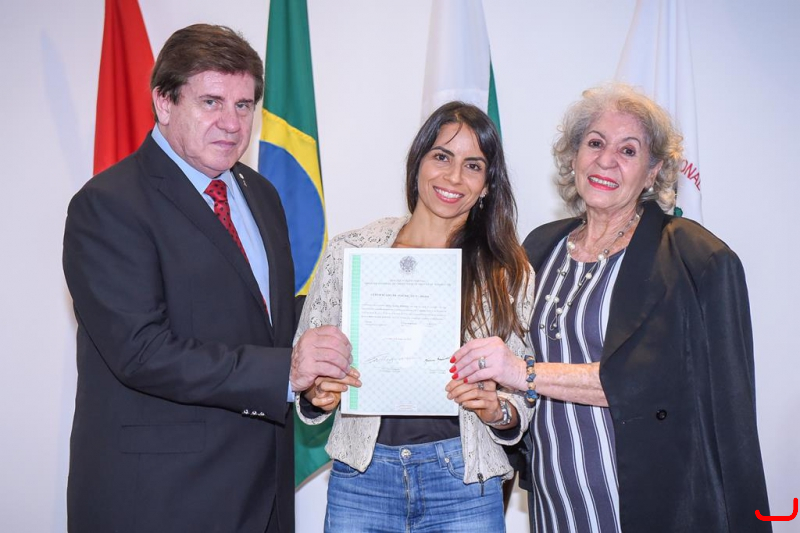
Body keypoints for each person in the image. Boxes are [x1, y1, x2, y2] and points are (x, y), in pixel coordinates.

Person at [62, 24, 351, 533]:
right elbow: (141, 351)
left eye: (244, 105)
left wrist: (345, 323)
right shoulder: (109, 205)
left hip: (263, 492)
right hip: (162, 499)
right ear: (164, 102)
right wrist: (285, 373)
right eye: (211, 102)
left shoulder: (260, 194)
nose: (232, 123)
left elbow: (265, 321)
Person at [451, 83, 772, 532]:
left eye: (628, 150)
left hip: (648, 504)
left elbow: (653, 383)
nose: (606, 160)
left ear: (653, 171)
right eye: (595, 143)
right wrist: (500, 406)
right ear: (574, 156)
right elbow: (517, 366)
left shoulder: (691, 257)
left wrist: (522, 373)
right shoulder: (540, 247)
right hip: (555, 499)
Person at [294, 102, 535, 532]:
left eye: (473, 166)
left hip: (463, 480)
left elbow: (527, 383)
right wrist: (317, 392)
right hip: (362, 476)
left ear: (486, 185)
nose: (453, 177)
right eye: (442, 156)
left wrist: (500, 410)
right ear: (418, 162)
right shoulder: (353, 251)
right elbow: (307, 360)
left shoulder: (507, 270)